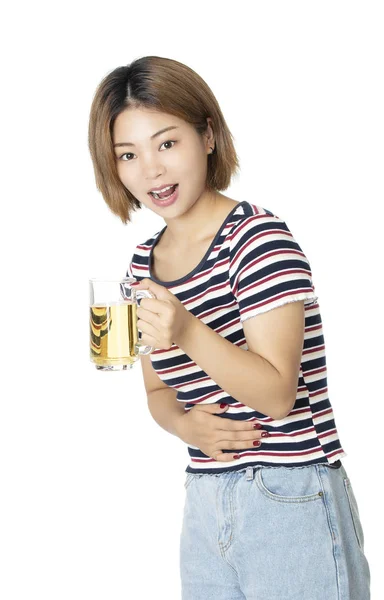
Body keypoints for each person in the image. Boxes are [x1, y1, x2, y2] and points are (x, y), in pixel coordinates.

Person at [88, 55, 371, 599]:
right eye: (129, 154)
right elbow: (155, 389)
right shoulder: (142, 264)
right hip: (205, 498)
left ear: (208, 135)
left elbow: (277, 394)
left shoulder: (259, 240)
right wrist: (184, 426)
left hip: (292, 494)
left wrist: (187, 330)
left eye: (167, 143)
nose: (152, 171)